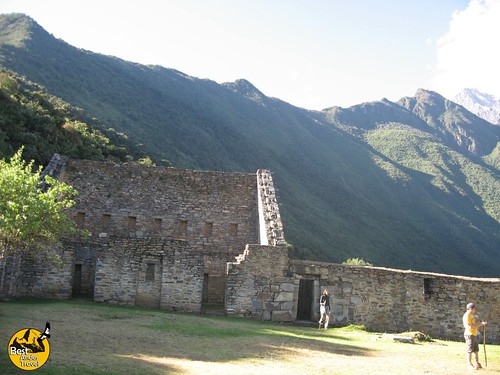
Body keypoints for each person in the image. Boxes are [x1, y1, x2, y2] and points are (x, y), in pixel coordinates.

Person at [463, 302, 487, 370]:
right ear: (471, 308)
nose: (475, 310)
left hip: (474, 334)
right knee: (469, 350)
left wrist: (481, 322)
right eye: (474, 309)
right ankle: (469, 364)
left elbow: (474, 323)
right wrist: (480, 325)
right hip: (469, 334)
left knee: (476, 350)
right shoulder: (467, 315)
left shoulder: (471, 315)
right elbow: (471, 326)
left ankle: (477, 363)